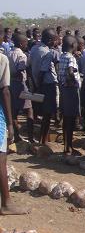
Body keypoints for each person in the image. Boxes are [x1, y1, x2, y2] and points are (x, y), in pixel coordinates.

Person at [0, 50, 29, 215]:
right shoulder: (2, 59)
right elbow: (4, 91)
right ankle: (6, 203)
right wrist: (10, 123)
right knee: (1, 158)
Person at [29, 28, 58, 145]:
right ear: (50, 40)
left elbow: (29, 67)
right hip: (47, 85)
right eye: (55, 40)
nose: (56, 42)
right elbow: (43, 71)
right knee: (47, 113)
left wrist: (35, 84)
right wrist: (39, 86)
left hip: (37, 83)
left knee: (41, 111)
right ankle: (43, 141)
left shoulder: (34, 48)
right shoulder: (48, 53)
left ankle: (43, 138)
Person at [8, 33, 34, 143]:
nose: (26, 44)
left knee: (14, 111)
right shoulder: (22, 55)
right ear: (21, 43)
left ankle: (17, 136)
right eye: (25, 43)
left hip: (10, 85)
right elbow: (20, 71)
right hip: (21, 85)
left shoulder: (8, 53)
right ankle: (31, 138)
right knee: (29, 110)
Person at [58, 35, 81, 155]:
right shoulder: (71, 58)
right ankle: (69, 147)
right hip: (71, 90)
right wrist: (74, 82)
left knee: (66, 118)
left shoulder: (62, 56)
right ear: (73, 45)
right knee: (71, 119)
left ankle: (66, 146)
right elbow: (70, 71)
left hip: (63, 89)